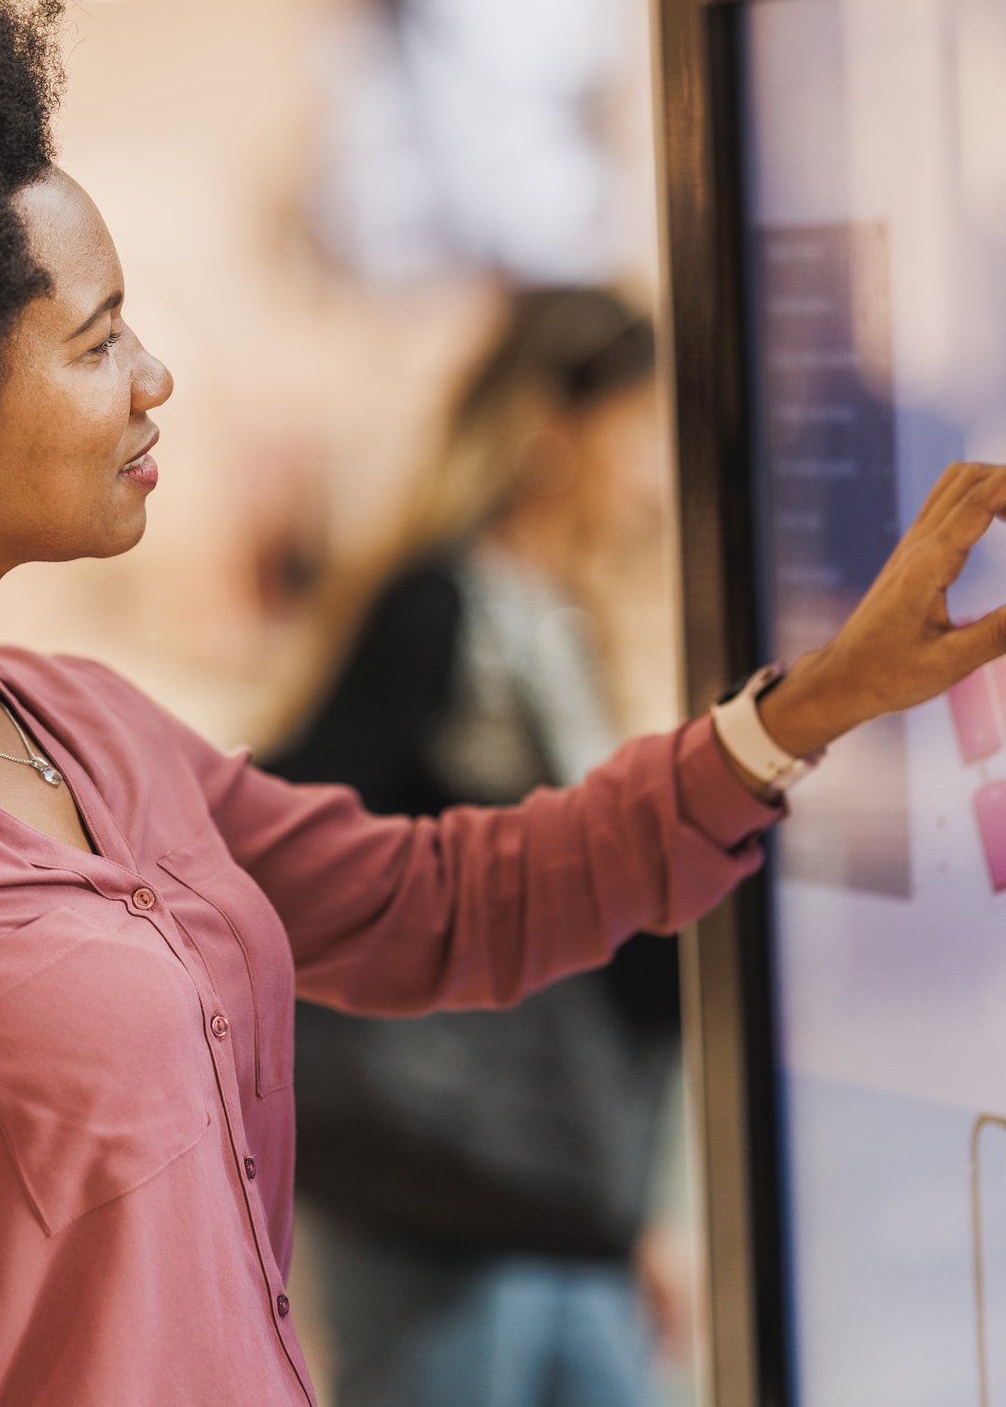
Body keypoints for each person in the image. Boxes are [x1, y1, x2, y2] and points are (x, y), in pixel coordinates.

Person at [0, 0, 1006, 1407]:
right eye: (98, 340)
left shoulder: (85, 728)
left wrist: (807, 705)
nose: (157, 375)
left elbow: (438, 903)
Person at [265, 286, 692, 1407]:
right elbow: (302, 833)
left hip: (553, 1179)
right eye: (642, 430)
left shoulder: (556, 616)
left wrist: (645, 1205)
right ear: (556, 430)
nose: (659, 470)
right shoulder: (442, 607)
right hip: (437, 1173)